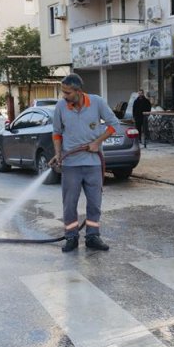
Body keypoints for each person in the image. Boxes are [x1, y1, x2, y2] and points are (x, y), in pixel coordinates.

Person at [49, 73, 118, 253]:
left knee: (94, 202)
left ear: (78, 91)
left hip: (93, 163)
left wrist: (97, 142)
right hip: (71, 164)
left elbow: (114, 125)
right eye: (63, 92)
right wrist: (58, 155)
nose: (64, 96)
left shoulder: (97, 103)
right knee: (69, 203)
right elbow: (56, 133)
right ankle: (71, 237)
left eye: (67, 93)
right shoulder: (61, 107)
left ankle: (93, 236)